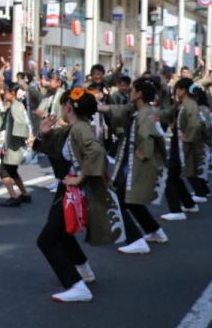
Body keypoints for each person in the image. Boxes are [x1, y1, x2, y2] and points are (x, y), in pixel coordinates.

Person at [34, 88, 124, 303]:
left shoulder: (79, 130)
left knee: (46, 240)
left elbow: (97, 152)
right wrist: (44, 133)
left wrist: (80, 177)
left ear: (68, 107)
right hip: (68, 191)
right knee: (63, 233)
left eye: (63, 104)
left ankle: (76, 285)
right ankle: (83, 271)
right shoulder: (75, 128)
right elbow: (53, 145)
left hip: (73, 191)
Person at [102, 78, 168, 255]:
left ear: (139, 94)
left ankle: (136, 239)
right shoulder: (141, 110)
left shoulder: (145, 114)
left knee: (119, 200)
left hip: (137, 164)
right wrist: (100, 107)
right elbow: (121, 111)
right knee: (132, 200)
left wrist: (144, 152)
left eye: (132, 90)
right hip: (134, 162)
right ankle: (155, 231)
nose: (130, 92)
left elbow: (147, 136)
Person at [159, 77, 202, 221]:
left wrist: (187, 137)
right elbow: (167, 114)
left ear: (183, 90)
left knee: (170, 175)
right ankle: (189, 204)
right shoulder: (183, 104)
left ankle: (176, 210)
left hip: (182, 146)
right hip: (178, 144)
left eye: (177, 89)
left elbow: (195, 124)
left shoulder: (189, 105)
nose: (175, 91)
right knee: (174, 175)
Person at [0, 87, 33, 206]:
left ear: (12, 93)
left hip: (13, 146)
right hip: (14, 145)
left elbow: (21, 124)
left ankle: (14, 197)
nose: (4, 94)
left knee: (3, 171)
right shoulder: (16, 105)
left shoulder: (15, 106)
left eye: (6, 92)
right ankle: (25, 195)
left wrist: (22, 139)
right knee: (12, 171)